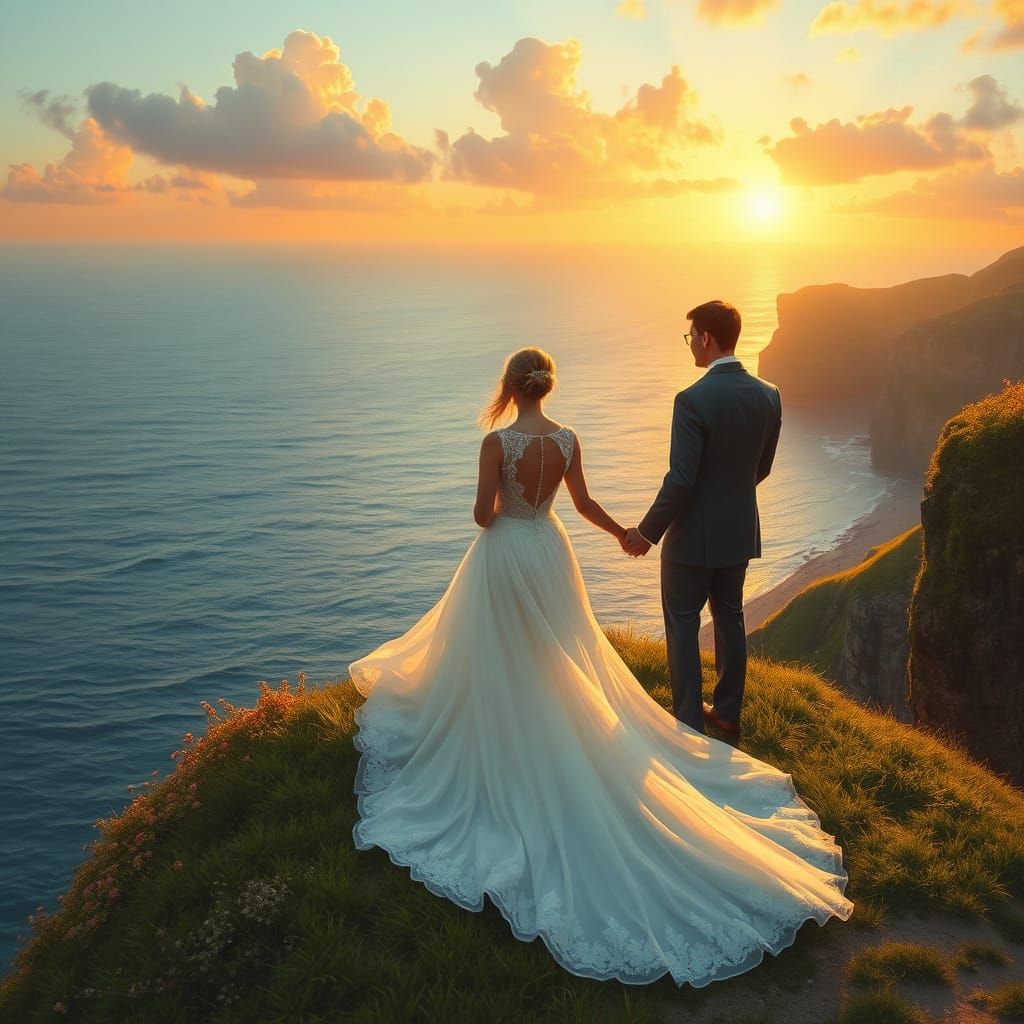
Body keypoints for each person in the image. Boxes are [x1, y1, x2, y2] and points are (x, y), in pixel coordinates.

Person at [348, 345, 851, 989]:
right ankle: (554, 719)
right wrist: (621, 534)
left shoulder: (496, 443)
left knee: (505, 647)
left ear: (512, 387)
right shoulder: (567, 439)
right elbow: (582, 504)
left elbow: (481, 515)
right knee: (558, 648)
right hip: (551, 550)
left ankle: (510, 726)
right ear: (547, 386)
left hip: (506, 552)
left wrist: (504, 507)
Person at [623, 300, 782, 743]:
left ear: (706, 337)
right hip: (739, 529)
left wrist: (646, 533)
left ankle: (689, 723)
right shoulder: (769, 394)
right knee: (730, 617)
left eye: (690, 335)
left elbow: (681, 479)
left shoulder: (692, 399)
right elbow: (761, 469)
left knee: (682, 623)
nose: (690, 343)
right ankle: (727, 713)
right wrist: (728, 497)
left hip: (692, 538)